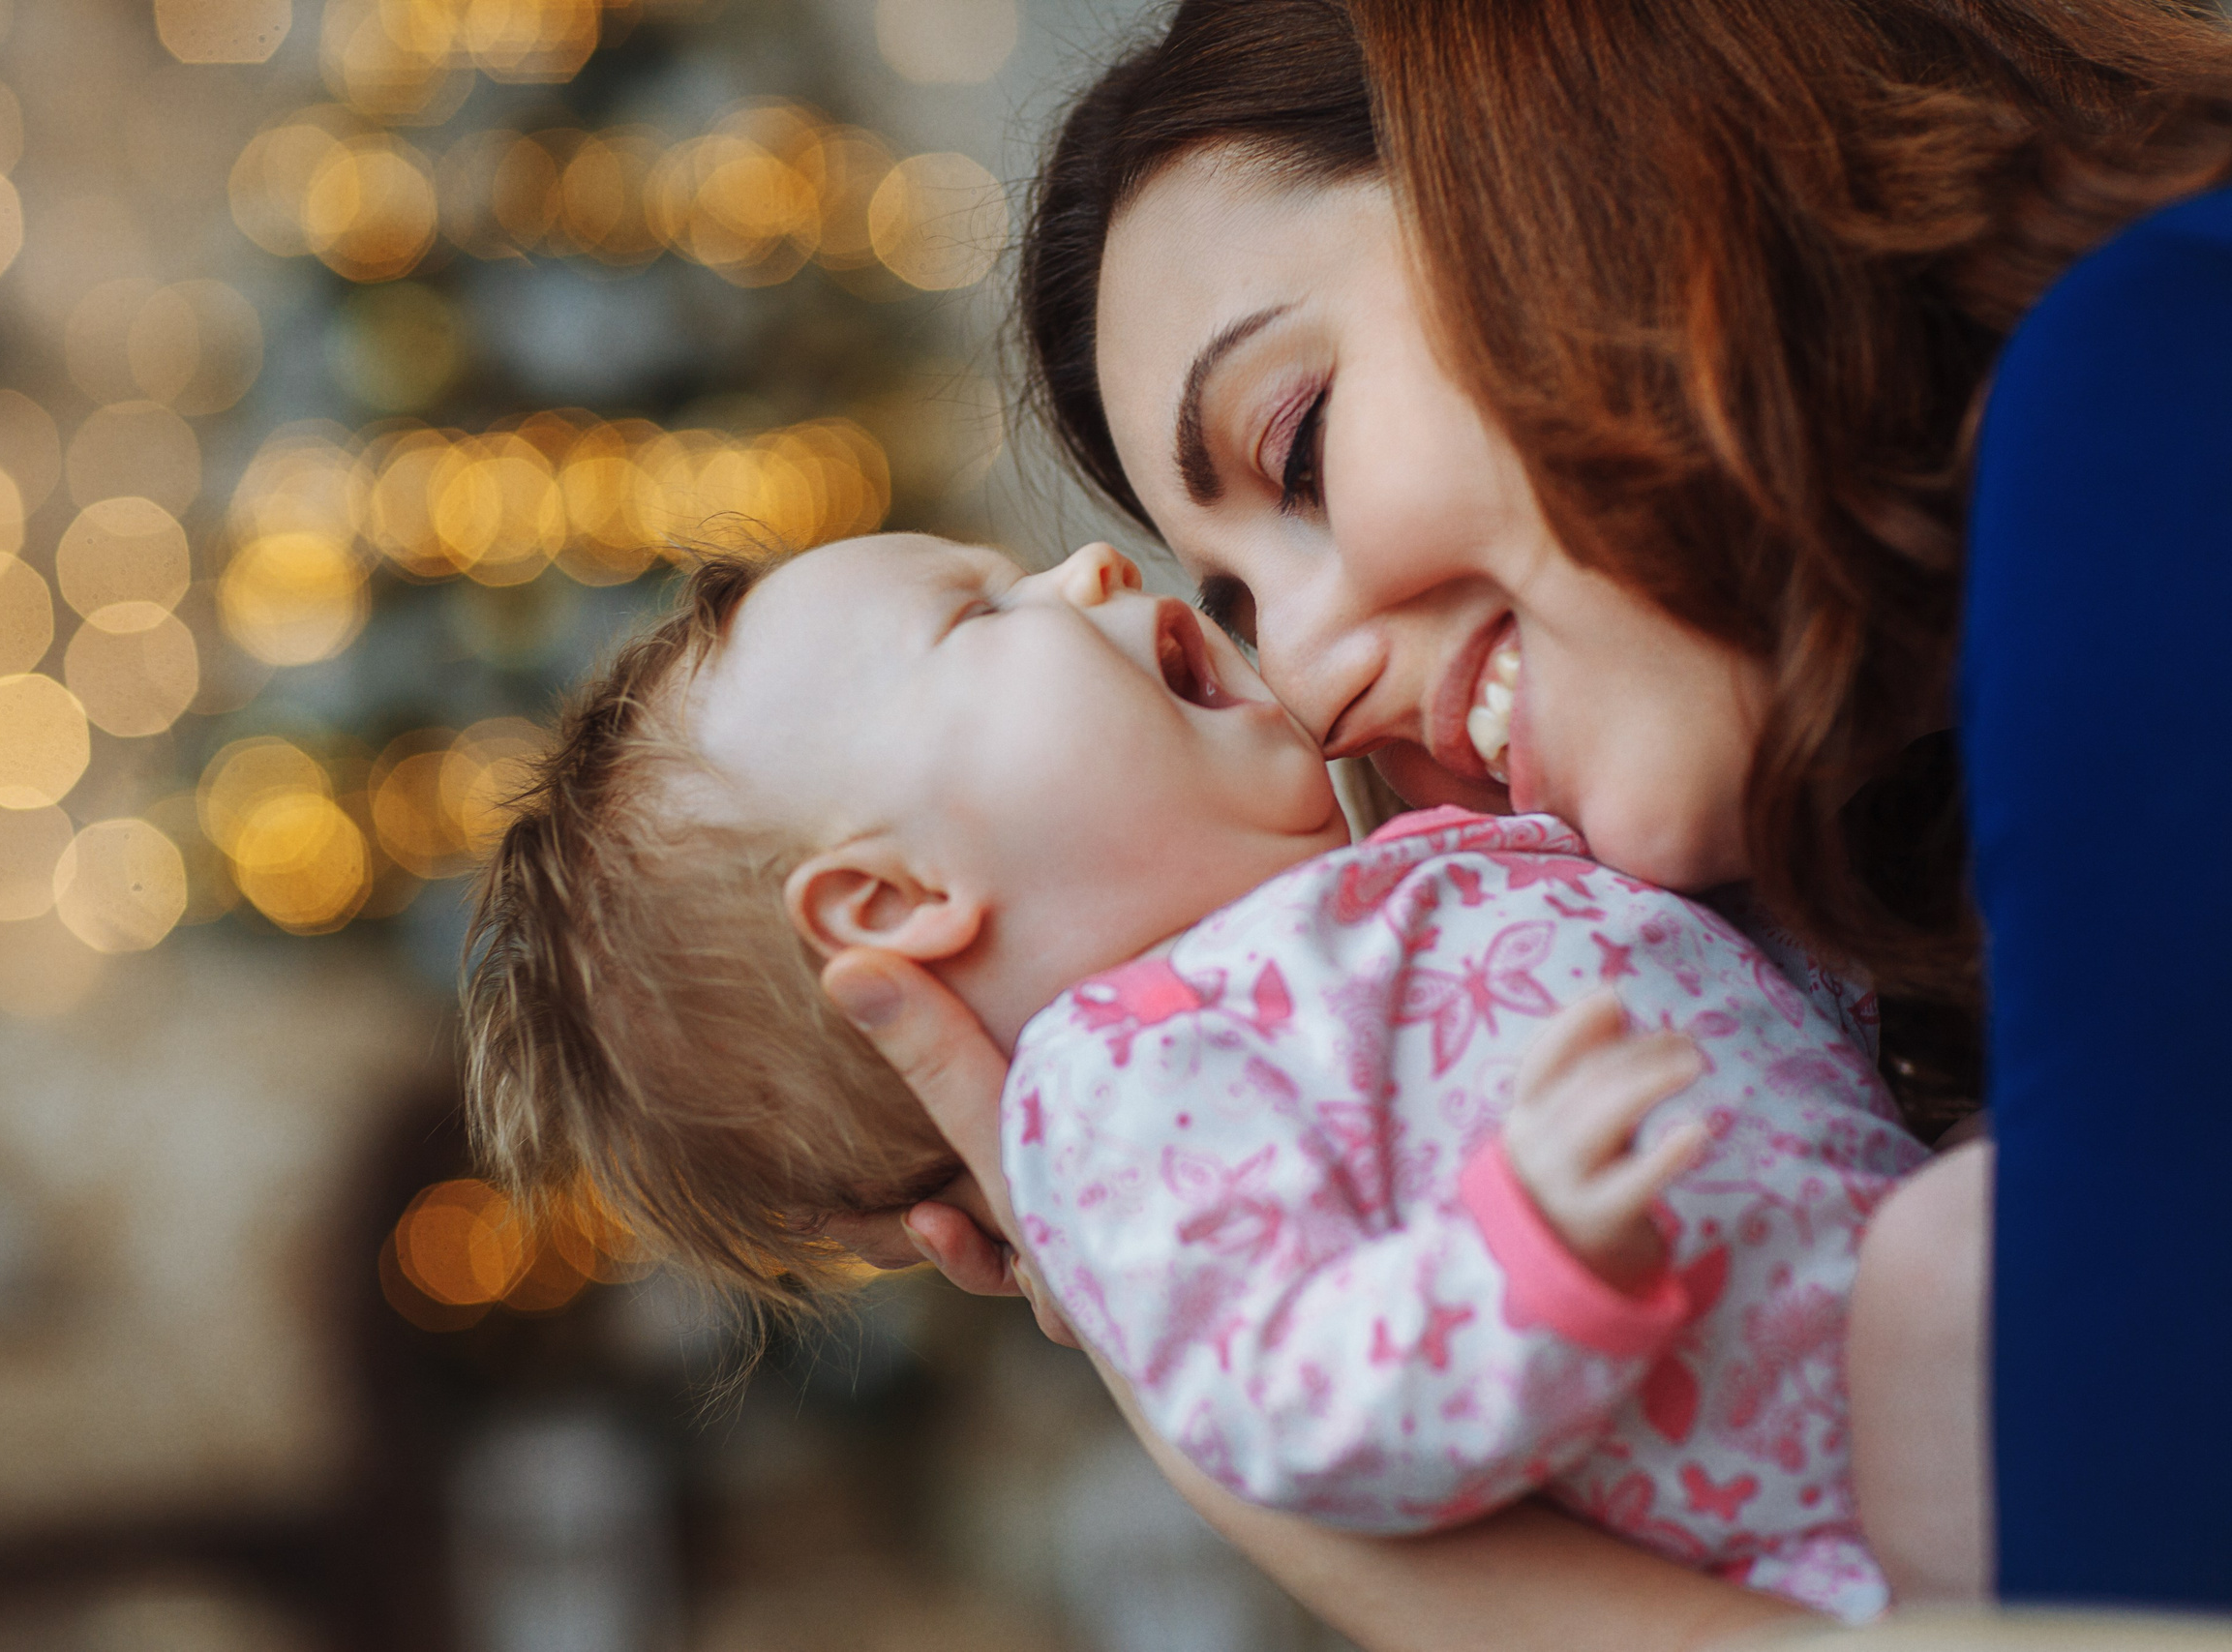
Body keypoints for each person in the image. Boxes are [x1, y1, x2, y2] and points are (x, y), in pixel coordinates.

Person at [814, 0, 2232, 1641]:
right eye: (1239, 602)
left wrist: (1233, 1431)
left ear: (1598, 156)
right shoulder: (1943, 895)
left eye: (1303, 448)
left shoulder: (2152, 403)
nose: (1311, 683)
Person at [463, 530, 1926, 1617]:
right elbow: (1283, 1396)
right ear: (897, 904)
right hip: (1831, 1514)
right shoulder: (1124, 1078)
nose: (1089, 564)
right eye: (980, 615)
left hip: (1907, 1308)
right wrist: (1519, 1257)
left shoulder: (1384, 882)